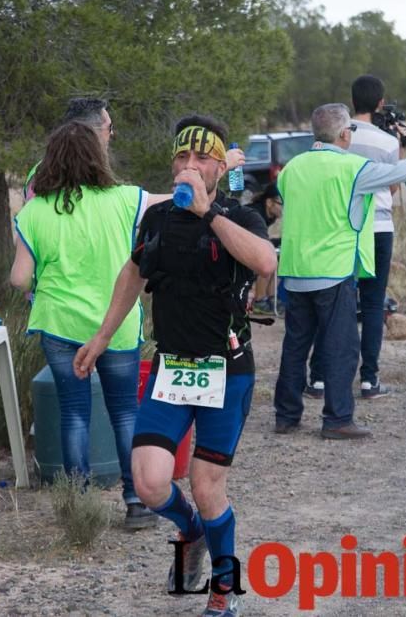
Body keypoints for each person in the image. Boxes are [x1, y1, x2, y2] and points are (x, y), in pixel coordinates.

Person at [74, 114, 276, 617]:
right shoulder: (158, 219)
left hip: (226, 372)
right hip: (172, 367)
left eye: (200, 158)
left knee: (208, 486)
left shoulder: (239, 215)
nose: (188, 165)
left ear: (217, 167)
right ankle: (189, 530)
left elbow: (265, 262)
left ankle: (223, 591)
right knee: (148, 482)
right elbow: (133, 272)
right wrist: (101, 337)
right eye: (181, 157)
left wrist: (209, 215)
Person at [11, 120, 170, 530]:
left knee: (74, 414)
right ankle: (136, 502)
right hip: (115, 323)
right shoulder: (126, 199)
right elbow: (174, 202)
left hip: (60, 325)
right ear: (98, 157)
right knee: (124, 412)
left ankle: (77, 505)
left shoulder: (33, 213)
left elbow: (19, 279)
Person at [273, 103, 406, 440]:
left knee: (295, 345)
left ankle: (286, 415)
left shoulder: (292, 168)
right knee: (342, 346)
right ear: (344, 134)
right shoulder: (353, 168)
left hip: (294, 270)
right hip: (333, 271)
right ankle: (337, 419)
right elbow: (396, 173)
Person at [306, 75, 402, 399]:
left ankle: (319, 377)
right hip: (378, 227)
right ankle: (369, 379)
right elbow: (392, 186)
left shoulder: (337, 136)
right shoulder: (389, 142)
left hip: (339, 226)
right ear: (379, 103)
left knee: (334, 303)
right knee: (374, 305)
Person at [24, 97, 113, 201]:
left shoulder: (43, 170)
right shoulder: (44, 174)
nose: (112, 133)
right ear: (91, 131)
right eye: (109, 127)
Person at [247, 182, 283, 315]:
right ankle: (260, 301)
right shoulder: (256, 214)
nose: (283, 208)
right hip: (234, 252)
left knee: (278, 261)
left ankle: (271, 298)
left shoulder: (268, 215)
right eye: (281, 204)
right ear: (269, 202)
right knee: (267, 261)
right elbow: (257, 242)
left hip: (248, 247)